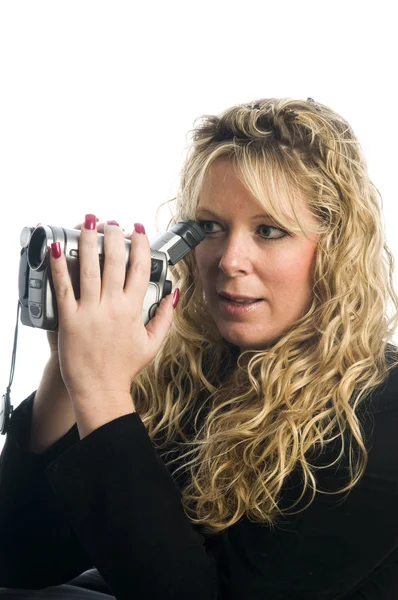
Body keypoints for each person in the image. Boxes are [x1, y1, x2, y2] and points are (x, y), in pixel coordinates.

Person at [1, 97, 398, 600]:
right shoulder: (192, 372)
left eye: (269, 231)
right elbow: (21, 557)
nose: (230, 260)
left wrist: (102, 391)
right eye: (210, 227)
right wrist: (68, 362)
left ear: (335, 250)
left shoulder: (382, 408)